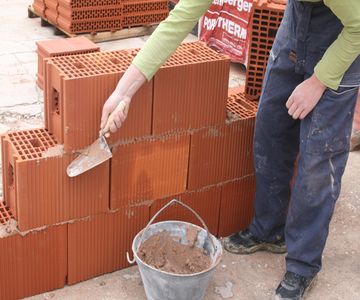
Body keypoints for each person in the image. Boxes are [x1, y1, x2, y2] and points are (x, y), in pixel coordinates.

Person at [100, 0, 360, 299]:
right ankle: (269, 230)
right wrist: (123, 92)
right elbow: (181, 18)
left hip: (346, 29)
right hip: (297, 21)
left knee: (318, 159)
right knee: (270, 132)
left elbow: (358, 26)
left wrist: (319, 81)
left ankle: (303, 265)